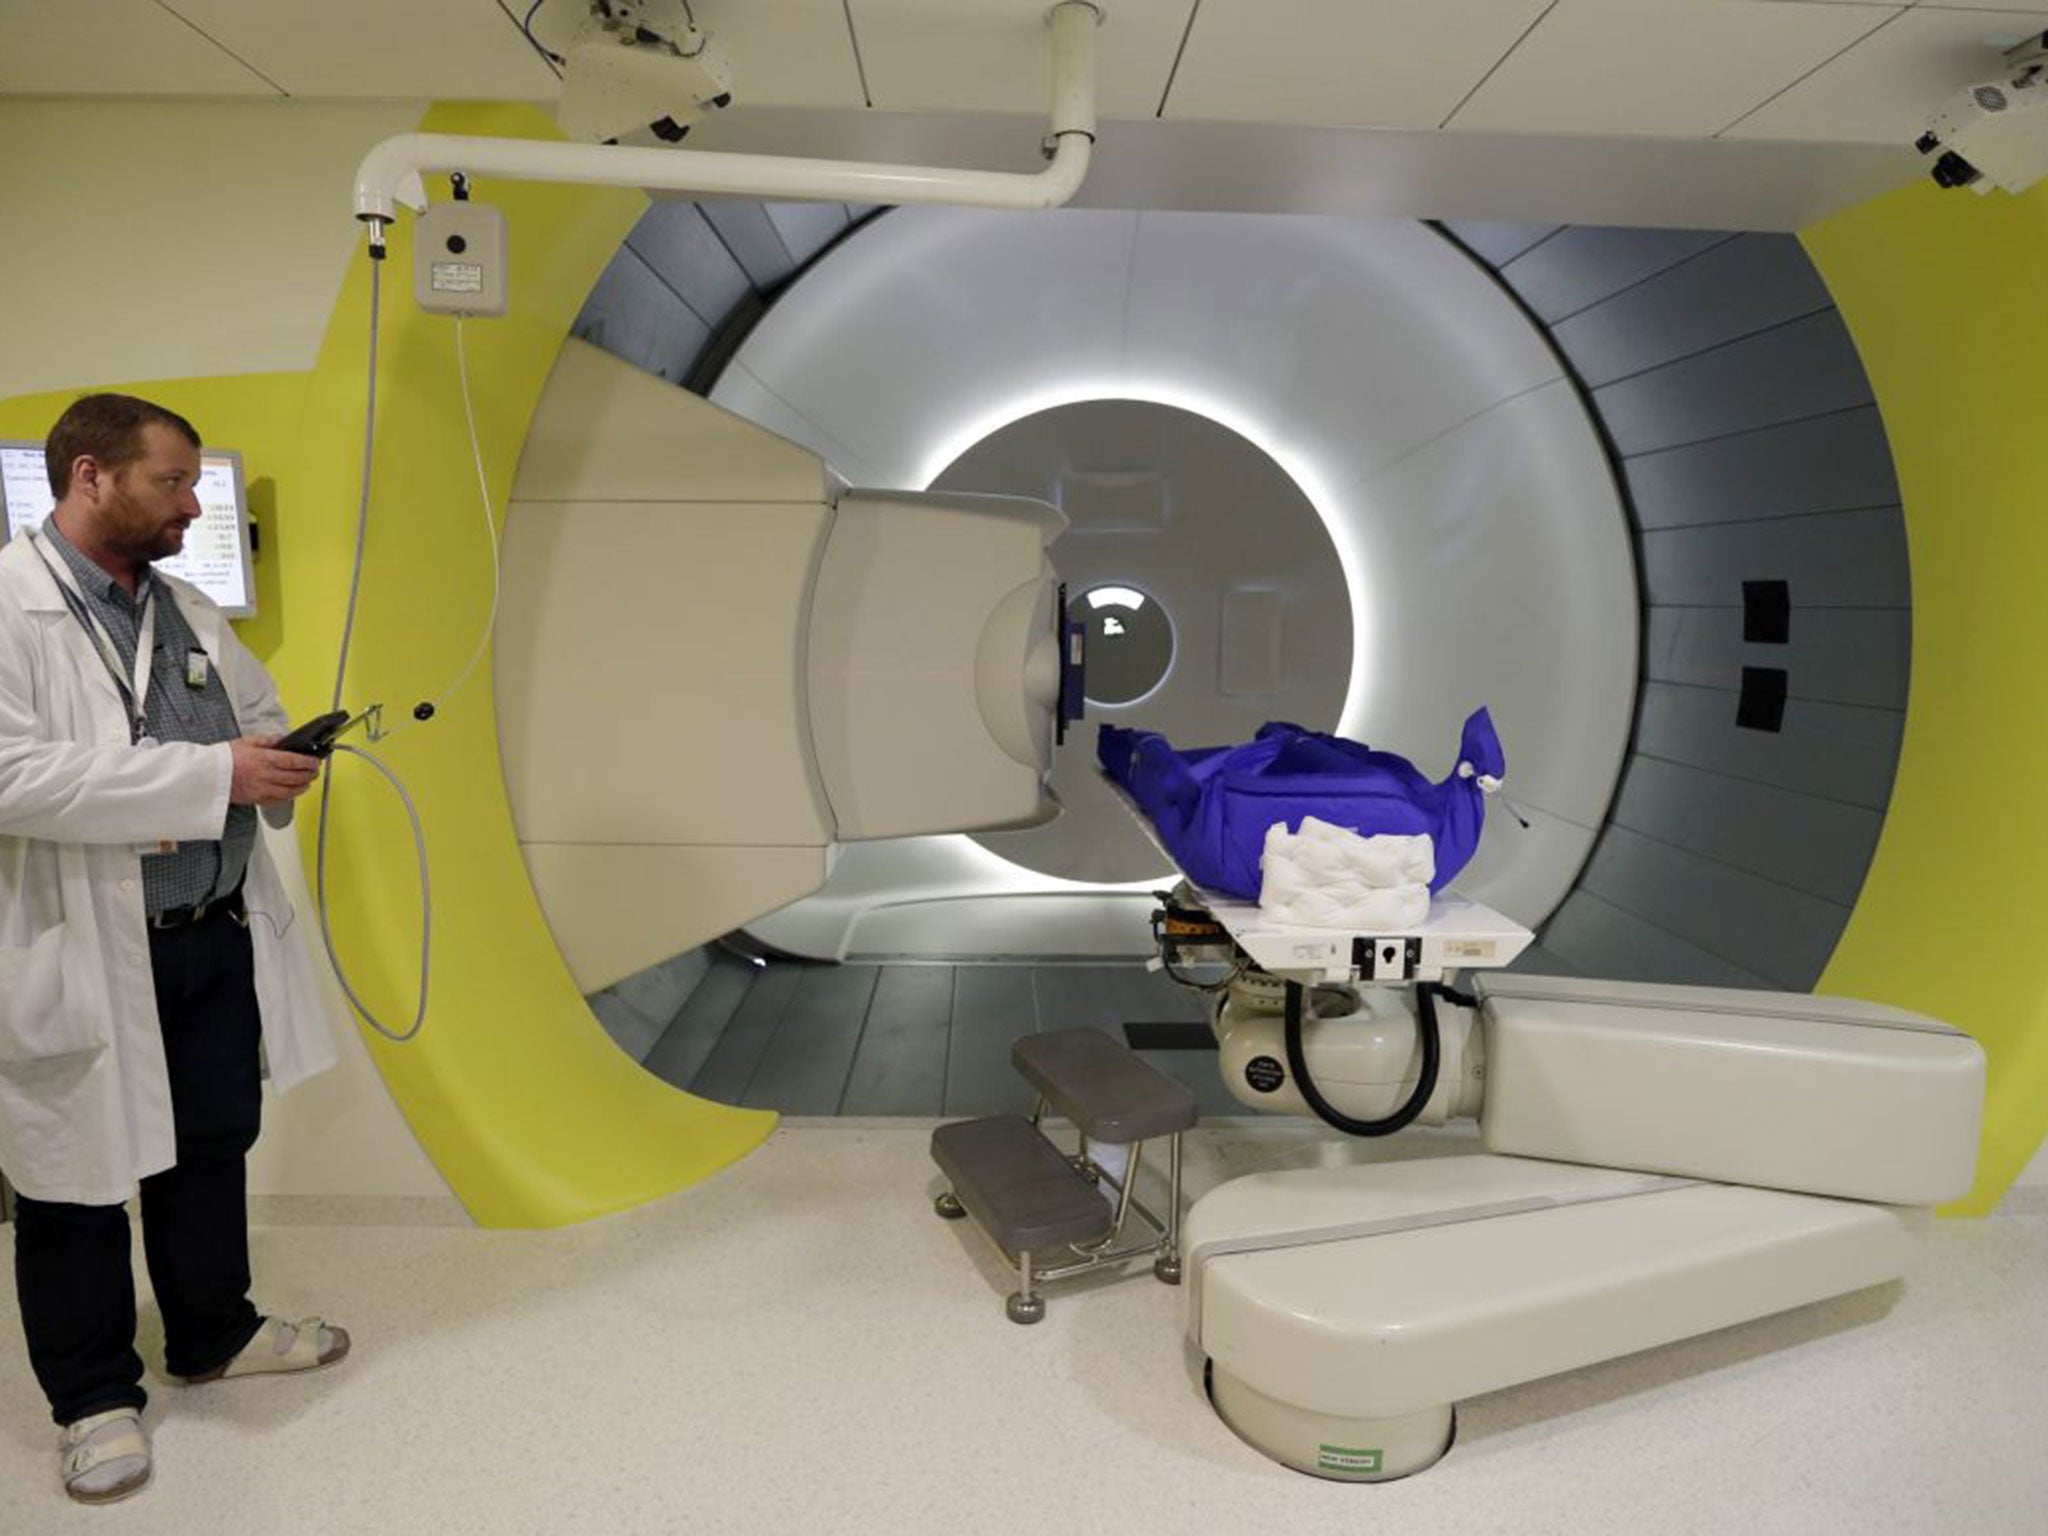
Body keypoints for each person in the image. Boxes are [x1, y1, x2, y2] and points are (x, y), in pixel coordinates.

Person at [0, 394, 350, 1505]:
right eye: (172, 484)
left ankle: (211, 1333)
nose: (194, 507)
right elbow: (13, 778)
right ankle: (95, 1400)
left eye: (197, 485)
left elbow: (255, 714)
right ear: (91, 476)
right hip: (86, 950)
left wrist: (280, 760)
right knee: (75, 1180)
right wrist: (213, 778)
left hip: (210, 938)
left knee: (211, 1146)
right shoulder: (10, 613)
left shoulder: (189, 609)